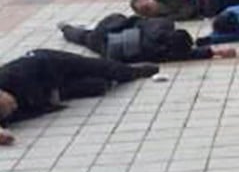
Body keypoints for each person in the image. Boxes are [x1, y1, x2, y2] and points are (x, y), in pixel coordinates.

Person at [0, 50, 158, 145]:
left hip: (51, 65)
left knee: (103, 68)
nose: (14, 107)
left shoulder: (12, 75)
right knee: (98, 86)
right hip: (52, 93)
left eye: (10, 104)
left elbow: (42, 64)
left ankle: (133, 71)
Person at [60, 14, 236, 62]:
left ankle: (66, 28)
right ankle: (66, 29)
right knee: (84, 38)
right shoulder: (162, 53)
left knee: (84, 37)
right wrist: (216, 52)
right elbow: (190, 55)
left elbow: (135, 20)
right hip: (110, 50)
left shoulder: (158, 28)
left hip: (107, 33)